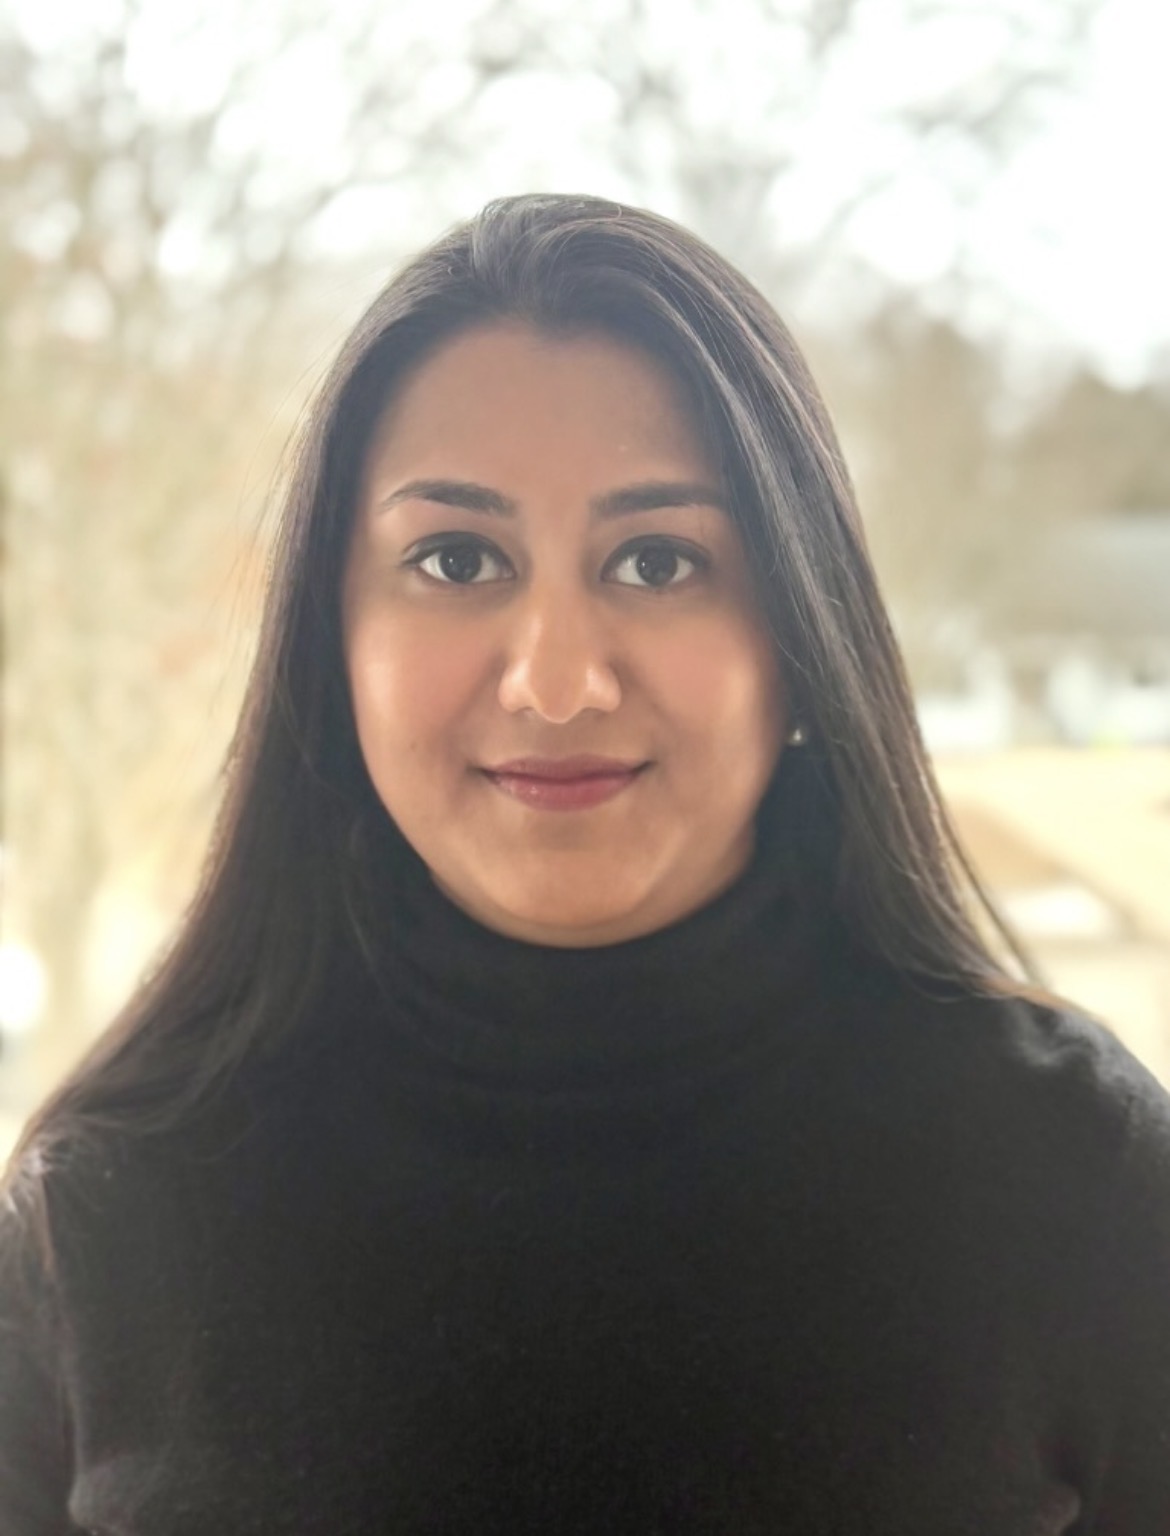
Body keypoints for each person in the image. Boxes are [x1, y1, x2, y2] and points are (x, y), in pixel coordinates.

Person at [1, 193, 1168, 1535]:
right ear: (334, 644)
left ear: (801, 634)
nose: (555, 682)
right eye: (455, 559)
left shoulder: (1069, 1177)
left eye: (658, 560)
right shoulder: (106, 1214)